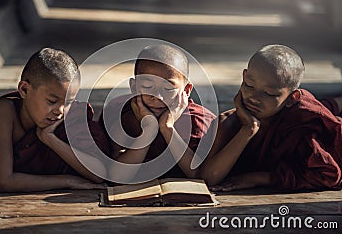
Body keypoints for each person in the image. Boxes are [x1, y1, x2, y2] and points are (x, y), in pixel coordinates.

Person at [0, 48, 108, 192]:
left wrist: (49, 138)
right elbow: (5, 182)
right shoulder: (4, 112)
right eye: (52, 101)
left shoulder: (60, 117)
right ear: (24, 90)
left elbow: (98, 174)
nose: (60, 111)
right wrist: (67, 181)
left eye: (68, 102)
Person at [200, 44, 342, 191]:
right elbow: (209, 178)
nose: (254, 98)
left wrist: (261, 178)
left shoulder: (302, 122)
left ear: (292, 98)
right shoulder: (229, 123)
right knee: (328, 105)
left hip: (294, 111)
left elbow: (327, 174)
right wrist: (248, 129)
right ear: (243, 76)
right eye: (249, 85)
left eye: (269, 94)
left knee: (325, 108)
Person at [100, 44, 216, 182]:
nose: (158, 96)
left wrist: (167, 128)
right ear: (133, 87)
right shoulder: (120, 113)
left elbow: (199, 175)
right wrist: (149, 131)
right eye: (147, 86)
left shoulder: (199, 121)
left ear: (186, 90)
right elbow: (117, 177)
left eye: (168, 88)